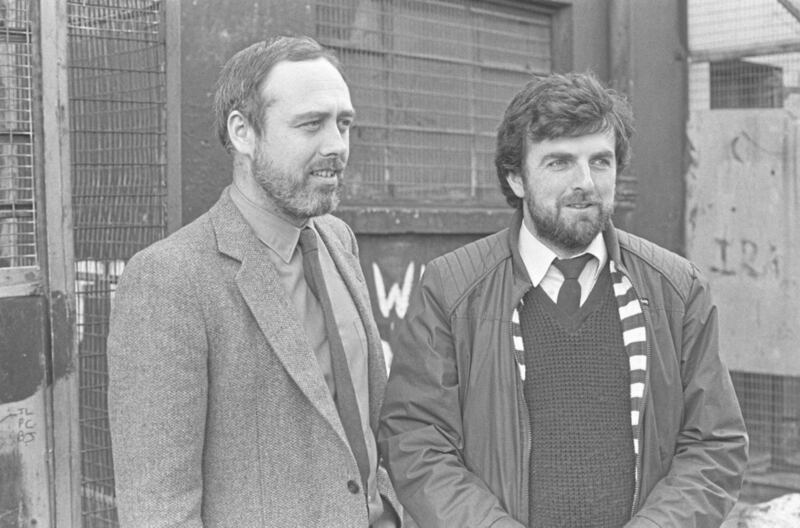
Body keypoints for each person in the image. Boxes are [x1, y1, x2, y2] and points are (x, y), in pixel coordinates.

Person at [377, 72, 748, 528]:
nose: (585, 183)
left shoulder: (676, 288)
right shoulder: (452, 288)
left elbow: (715, 442)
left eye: (600, 161)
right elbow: (416, 439)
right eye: (559, 163)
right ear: (515, 178)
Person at [107, 36, 400, 527]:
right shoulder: (168, 279)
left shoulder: (337, 239)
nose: (337, 146)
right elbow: (158, 508)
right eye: (311, 124)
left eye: (343, 123)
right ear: (243, 132)